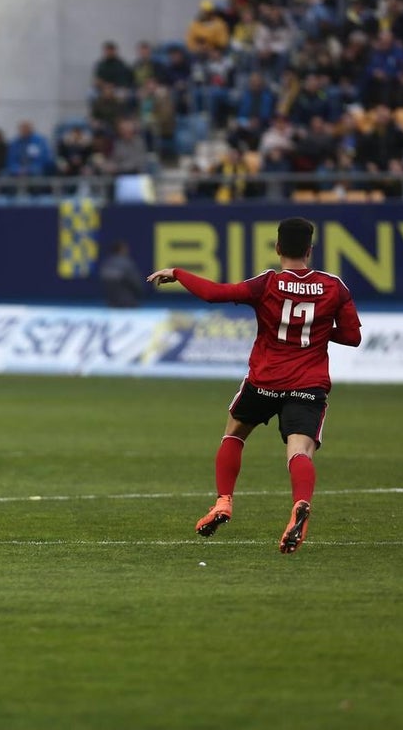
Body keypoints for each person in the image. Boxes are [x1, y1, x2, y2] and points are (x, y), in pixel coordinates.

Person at [147, 217, 362, 554]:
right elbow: (352, 336)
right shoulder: (334, 286)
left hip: (264, 380)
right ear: (310, 250)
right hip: (308, 384)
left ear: (278, 248)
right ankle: (301, 503)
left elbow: (214, 294)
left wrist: (178, 272)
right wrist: (320, 331)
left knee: (234, 433)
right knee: (299, 451)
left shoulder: (267, 284)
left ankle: (223, 501)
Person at [99, 240, 145, 308]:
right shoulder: (126, 264)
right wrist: (141, 293)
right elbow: (137, 284)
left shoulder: (106, 264)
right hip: (128, 303)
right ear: (121, 250)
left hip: (111, 303)